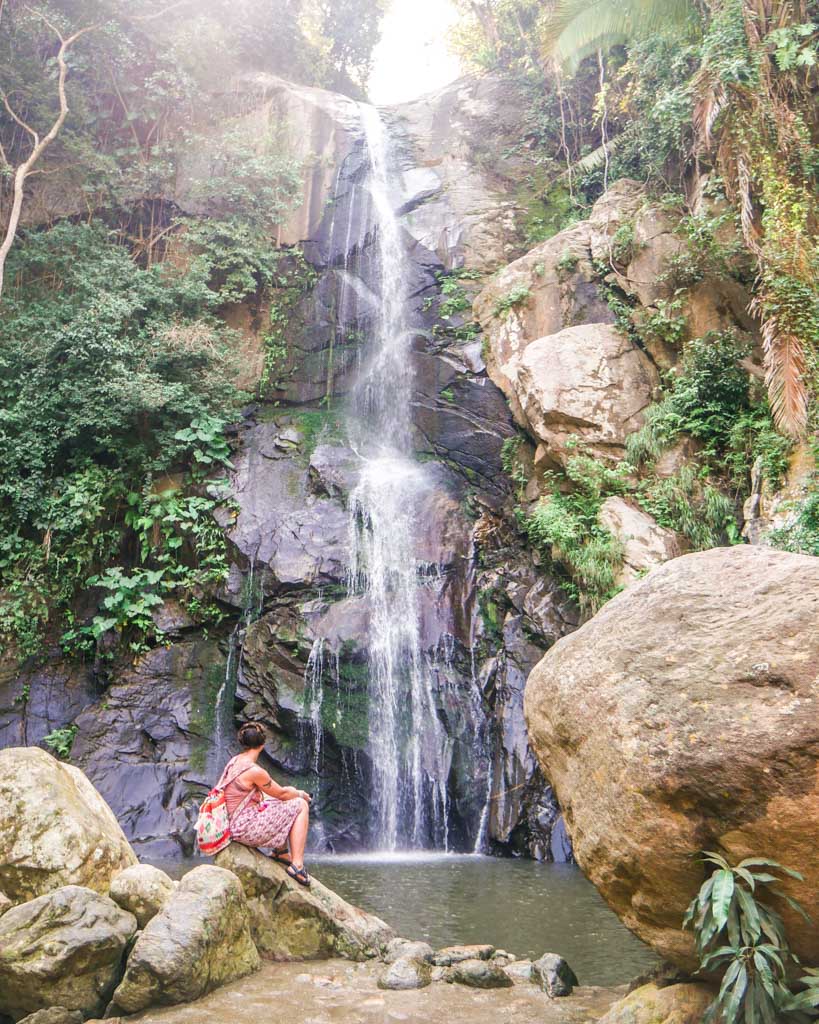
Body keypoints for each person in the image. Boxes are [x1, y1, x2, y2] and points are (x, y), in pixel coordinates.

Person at [218, 721, 312, 886]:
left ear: (243, 743)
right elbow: (282, 794)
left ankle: (281, 852)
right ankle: (297, 866)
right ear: (262, 745)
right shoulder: (255, 772)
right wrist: (300, 794)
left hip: (232, 823)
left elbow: (275, 795)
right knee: (300, 805)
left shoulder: (235, 761)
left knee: (271, 801)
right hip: (243, 828)